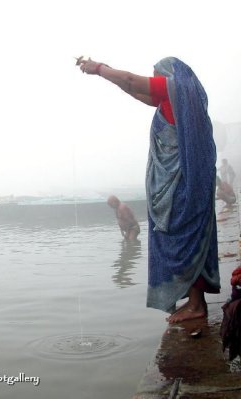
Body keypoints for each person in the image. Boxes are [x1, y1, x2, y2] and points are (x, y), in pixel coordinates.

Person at [78, 56, 220, 323]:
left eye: (155, 75)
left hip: (180, 185)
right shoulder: (175, 101)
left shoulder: (174, 88)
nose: (152, 79)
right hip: (187, 184)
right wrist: (110, 74)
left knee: (181, 239)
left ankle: (197, 304)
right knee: (188, 239)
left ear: (170, 75)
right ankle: (194, 301)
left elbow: (132, 80)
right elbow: (133, 88)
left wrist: (99, 69)